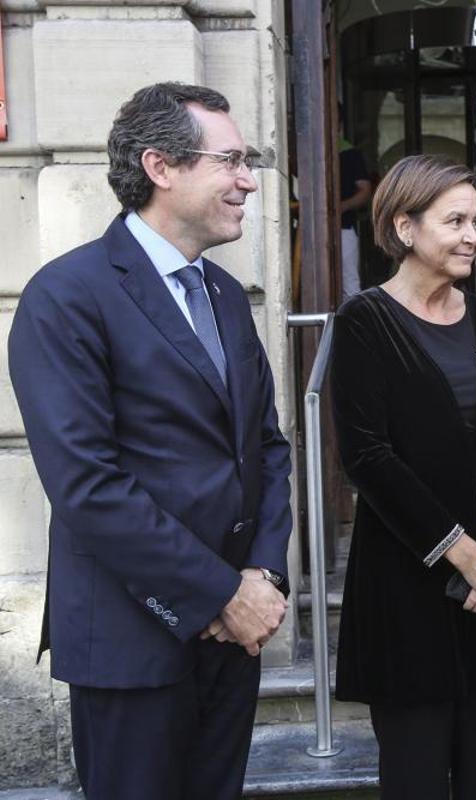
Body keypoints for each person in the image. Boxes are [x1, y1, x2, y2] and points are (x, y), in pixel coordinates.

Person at [7, 83, 292, 800]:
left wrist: (262, 578)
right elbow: (87, 485)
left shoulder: (225, 296)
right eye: (231, 161)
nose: (249, 181)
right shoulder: (65, 295)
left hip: (234, 635)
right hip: (132, 640)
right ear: (161, 166)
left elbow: (266, 448)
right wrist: (221, 594)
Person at [330, 154, 476, 799]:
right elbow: (368, 457)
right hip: (409, 592)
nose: (473, 237)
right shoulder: (363, 321)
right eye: (455, 221)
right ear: (405, 228)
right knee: (416, 778)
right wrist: (466, 557)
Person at [339, 134, 372, 301]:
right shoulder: (307, 150)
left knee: (349, 285)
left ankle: (353, 318)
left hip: (344, 227)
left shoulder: (351, 154)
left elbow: (365, 191)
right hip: (312, 229)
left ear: (339, 127)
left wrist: (340, 208)